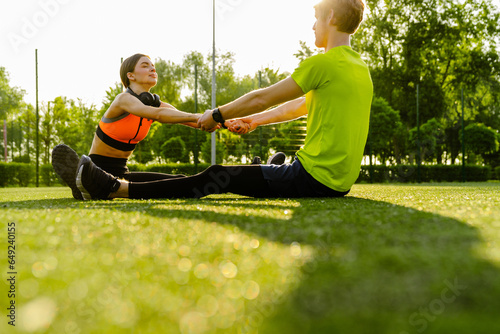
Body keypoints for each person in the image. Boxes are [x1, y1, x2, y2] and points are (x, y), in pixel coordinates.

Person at [75, 0, 373, 201]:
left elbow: (261, 97)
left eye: (316, 19)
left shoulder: (322, 64)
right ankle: (269, 171)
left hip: (312, 178)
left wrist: (216, 115)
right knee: (244, 175)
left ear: (331, 17)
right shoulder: (359, 68)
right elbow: (298, 107)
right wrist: (253, 121)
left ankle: (114, 188)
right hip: (337, 182)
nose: (313, 27)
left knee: (216, 175)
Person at [52, 54, 204, 200]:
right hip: (98, 169)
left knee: (180, 180)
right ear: (131, 76)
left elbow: (185, 117)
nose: (153, 69)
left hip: (122, 172)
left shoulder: (153, 103)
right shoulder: (123, 99)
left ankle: (83, 186)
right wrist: (200, 117)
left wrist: (221, 121)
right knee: (180, 184)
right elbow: (158, 114)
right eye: (145, 66)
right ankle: (88, 180)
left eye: (153, 66)